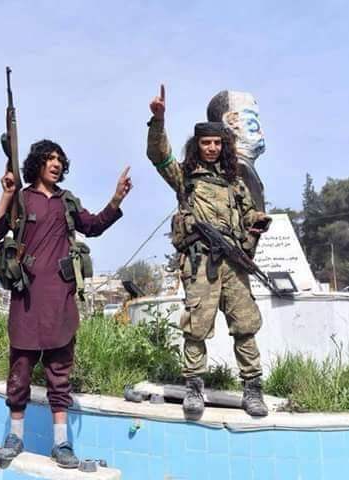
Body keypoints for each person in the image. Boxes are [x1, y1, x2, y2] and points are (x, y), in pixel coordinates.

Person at [0, 139, 131, 468]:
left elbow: (93, 226)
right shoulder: (22, 198)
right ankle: (15, 437)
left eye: (59, 159)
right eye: (49, 158)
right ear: (36, 163)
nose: (55, 164)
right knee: (20, 371)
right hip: (26, 300)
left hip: (61, 300)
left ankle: (61, 444)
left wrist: (117, 198)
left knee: (59, 374)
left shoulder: (67, 201)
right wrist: (7, 194)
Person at [146, 84, 270, 418]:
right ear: (197, 145)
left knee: (245, 325)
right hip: (200, 262)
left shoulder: (234, 181)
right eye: (206, 143)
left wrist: (256, 223)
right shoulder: (185, 177)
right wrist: (158, 121)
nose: (212, 148)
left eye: (217, 143)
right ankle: (194, 388)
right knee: (196, 327)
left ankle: (253, 388)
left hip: (233, 263)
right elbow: (159, 155)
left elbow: (249, 213)